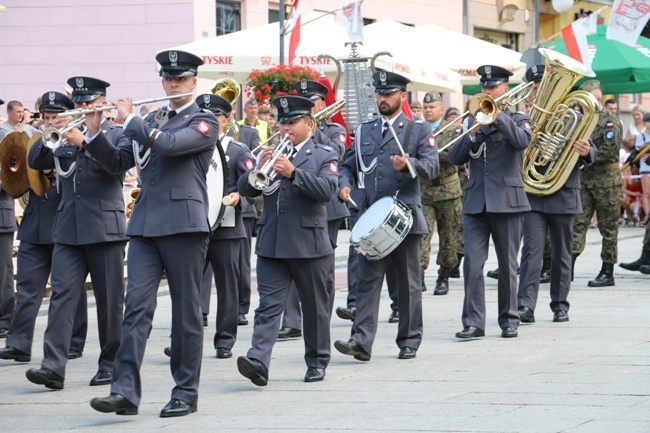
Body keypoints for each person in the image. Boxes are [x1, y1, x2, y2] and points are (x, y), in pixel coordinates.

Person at [89, 50, 219, 417]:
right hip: (145, 225)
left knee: (186, 314)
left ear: (194, 82)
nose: (173, 84)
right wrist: (95, 130)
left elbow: (169, 145)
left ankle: (185, 392)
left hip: (184, 225)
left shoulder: (205, 120)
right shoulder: (153, 119)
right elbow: (116, 163)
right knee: (136, 310)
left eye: (180, 78)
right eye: (168, 78)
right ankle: (125, 392)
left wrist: (130, 118)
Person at [25, 77, 128, 390]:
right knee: (62, 296)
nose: (83, 109)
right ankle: (53, 366)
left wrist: (88, 139)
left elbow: (115, 165)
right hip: (68, 229)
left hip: (105, 229)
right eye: (79, 104)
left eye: (88, 103)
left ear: (102, 103)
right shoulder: (64, 135)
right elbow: (35, 161)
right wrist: (50, 133)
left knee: (109, 302)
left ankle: (110, 365)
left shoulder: (118, 134)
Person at [336, 70, 439, 361]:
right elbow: (348, 165)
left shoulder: (417, 129)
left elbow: (432, 167)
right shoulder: (365, 130)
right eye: (379, 94)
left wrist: (408, 165)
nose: (383, 98)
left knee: (408, 284)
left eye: (389, 93)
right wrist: (343, 185)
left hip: (403, 218)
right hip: (371, 219)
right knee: (367, 282)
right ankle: (361, 342)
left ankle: (409, 340)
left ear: (401, 96)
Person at [235, 95, 338, 385]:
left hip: (309, 244)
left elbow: (327, 191)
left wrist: (293, 173)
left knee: (314, 307)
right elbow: (247, 189)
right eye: (282, 123)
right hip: (272, 242)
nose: (285, 128)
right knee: (268, 306)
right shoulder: (272, 152)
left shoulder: (323, 154)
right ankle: (258, 360)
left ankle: (317, 360)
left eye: (292, 122)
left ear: (309, 123)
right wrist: (258, 164)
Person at [0, 92, 88, 362]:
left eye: (54, 117)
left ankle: (73, 341)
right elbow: (15, 180)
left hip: (64, 223)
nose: (49, 122)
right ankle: (19, 343)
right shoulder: (33, 143)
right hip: (35, 222)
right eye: (46, 117)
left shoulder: (77, 142)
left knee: (68, 287)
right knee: (27, 285)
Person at [448, 65, 532, 339]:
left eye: (492, 87)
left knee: (508, 266)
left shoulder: (519, 118)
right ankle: (473, 322)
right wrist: (471, 132)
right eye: (484, 87)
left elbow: (522, 142)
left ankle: (509, 320)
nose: (486, 91)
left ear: (505, 89)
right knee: (472, 263)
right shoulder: (470, 120)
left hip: (507, 201)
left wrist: (496, 117)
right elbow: (454, 157)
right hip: (476, 203)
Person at [517, 67, 597, 324]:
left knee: (563, 253)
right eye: (536, 84)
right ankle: (525, 305)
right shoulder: (523, 116)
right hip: (533, 194)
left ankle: (560, 305)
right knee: (531, 250)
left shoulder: (573, 114)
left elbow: (591, 150)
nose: (539, 89)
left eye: (543, 83)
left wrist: (585, 151)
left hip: (562, 192)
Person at [277, 79, 349, 340]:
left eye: (314, 102)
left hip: (326, 205)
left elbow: (334, 152)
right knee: (292, 264)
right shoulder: (291, 131)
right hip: (295, 204)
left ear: (322, 103)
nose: (311, 105)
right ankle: (293, 322)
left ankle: (320, 318)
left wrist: (311, 128)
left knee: (322, 271)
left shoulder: (335, 129)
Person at [197, 93, 253, 358]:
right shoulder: (191, 144)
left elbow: (253, 184)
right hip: (194, 222)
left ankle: (225, 340)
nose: (209, 122)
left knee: (228, 286)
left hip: (227, 224)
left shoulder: (237, 149)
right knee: (188, 284)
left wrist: (239, 196)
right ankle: (186, 338)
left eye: (215, 117)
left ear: (227, 119)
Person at [571, 80, 623, 287]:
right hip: (585, 179)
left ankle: (607, 271)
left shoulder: (610, 121)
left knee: (608, 227)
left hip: (607, 182)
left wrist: (587, 153)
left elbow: (611, 150)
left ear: (597, 99)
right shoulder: (581, 120)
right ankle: (569, 267)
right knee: (577, 223)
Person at [419, 90, 462, 296]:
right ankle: (418, 275)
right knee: (421, 234)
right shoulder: (417, 130)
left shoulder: (453, 131)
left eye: (432, 107)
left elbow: (456, 157)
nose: (428, 110)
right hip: (424, 190)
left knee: (449, 237)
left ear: (441, 109)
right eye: (425, 107)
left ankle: (443, 276)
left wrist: (433, 153)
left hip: (448, 191)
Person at [633, 113, 650, 224]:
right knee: (647, 194)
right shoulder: (641, 136)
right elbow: (639, 153)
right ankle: (648, 217)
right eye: (648, 121)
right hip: (645, 168)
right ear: (644, 123)